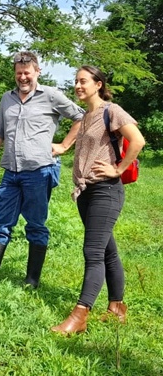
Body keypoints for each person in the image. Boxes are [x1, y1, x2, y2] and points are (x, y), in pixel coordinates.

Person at [0, 51, 85, 288]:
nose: (23, 77)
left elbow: (81, 117)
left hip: (39, 171)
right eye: (19, 73)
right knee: (0, 222)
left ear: (37, 72)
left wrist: (65, 145)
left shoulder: (50, 95)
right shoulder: (7, 99)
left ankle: (32, 279)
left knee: (35, 224)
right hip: (11, 172)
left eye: (27, 73)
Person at [51, 66, 145, 335]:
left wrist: (118, 168)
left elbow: (137, 140)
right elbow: (65, 146)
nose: (78, 86)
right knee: (107, 251)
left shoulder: (111, 111)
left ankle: (80, 315)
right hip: (86, 192)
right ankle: (117, 309)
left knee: (93, 252)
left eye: (83, 81)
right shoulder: (84, 117)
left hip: (106, 190)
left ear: (98, 84)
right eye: (76, 82)